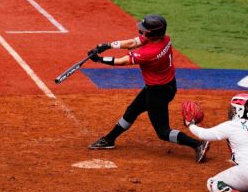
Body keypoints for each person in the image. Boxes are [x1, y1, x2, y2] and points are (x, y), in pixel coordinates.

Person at [86, 14, 211, 163]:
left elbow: (121, 61)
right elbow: (134, 42)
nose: (142, 32)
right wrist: (108, 45)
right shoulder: (164, 39)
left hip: (158, 92)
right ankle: (109, 139)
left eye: (145, 30)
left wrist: (99, 59)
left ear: (151, 33)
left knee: (163, 132)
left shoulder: (149, 52)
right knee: (132, 111)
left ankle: (198, 144)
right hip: (167, 85)